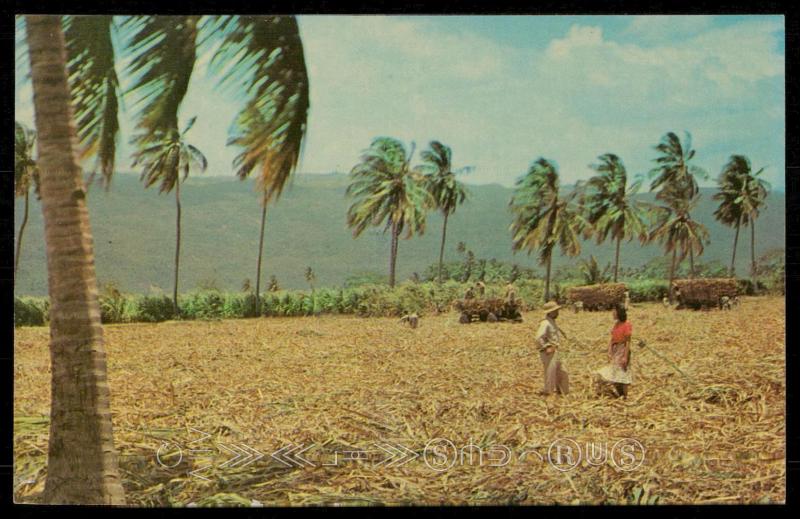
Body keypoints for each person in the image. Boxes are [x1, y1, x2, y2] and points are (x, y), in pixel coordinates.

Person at [595, 303, 633, 398]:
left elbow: (628, 341)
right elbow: (612, 339)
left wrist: (625, 356)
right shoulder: (616, 324)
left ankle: (624, 396)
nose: (612, 313)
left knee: (622, 373)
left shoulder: (626, 324)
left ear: (619, 312)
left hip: (622, 349)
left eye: (614, 311)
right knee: (615, 373)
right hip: (615, 349)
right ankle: (620, 394)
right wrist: (609, 350)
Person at [535, 301, 570, 396]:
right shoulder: (545, 323)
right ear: (550, 312)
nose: (557, 313)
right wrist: (546, 347)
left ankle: (563, 391)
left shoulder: (552, 322)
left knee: (562, 371)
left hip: (555, 349)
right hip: (549, 351)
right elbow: (538, 337)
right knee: (550, 373)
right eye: (555, 311)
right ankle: (548, 393)